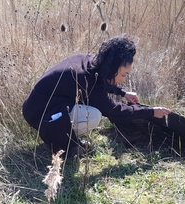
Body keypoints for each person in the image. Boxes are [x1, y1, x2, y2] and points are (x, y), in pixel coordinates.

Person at [22, 35, 171, 157]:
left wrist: (123, 93)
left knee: (89, 109)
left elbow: (101, 80)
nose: (124, 79)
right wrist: (151, 112)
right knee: (93, 115)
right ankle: (58, 142)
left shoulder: (88, 60)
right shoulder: (85, 79)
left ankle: (60, 134)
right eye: (124, 75)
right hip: (39, 115)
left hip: (40, 105)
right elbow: (114, 110)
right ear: (112, 67)